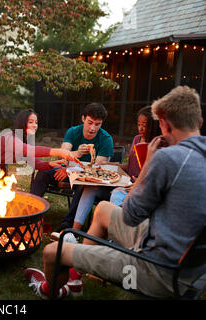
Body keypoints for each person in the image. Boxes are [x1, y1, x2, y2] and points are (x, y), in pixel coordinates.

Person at [25, 85, 206, 299]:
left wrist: (148, 165)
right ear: (199, 123)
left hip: (155, 269)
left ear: (164, 125)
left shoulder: (168, 159)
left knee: (51, 253)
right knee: (102, 209)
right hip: (187, 265)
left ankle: (48, 290)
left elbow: (130, 215)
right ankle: (74, 278)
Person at [52, 105, 162, 239]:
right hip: (125, 182)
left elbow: (156, 173)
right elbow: (131, 165)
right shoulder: (136, 139)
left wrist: (138, 183)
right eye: (139, 124)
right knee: (89, 188)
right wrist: (112, 165)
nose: (140, 128)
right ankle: (73, 233)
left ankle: (109, 237)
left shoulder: (158, 144)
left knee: (115, 194)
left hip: (136, 187)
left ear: (154, 125)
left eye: (144, 125)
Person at [30, 102, 114, 230]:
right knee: (43, 174)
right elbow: (61, 156)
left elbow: (96, 168)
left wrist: (71, 171)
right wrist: (77, 154)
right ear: (83, 119)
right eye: (90, 122)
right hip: (67, 169)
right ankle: (30, 215)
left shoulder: (106, 139)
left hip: (85, 177)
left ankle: (67, 226)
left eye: (98, 124)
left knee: (82, 184)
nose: (93, 128)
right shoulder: (73, 131)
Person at [0, 109, 81, 174]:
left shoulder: (23, 140)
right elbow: (27, 150)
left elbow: (34, 162)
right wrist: (59, 151)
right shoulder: (9, 137)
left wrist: (50, 163)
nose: (35, 126)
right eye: (30, 122)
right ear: (22, 123)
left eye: (36, 122)